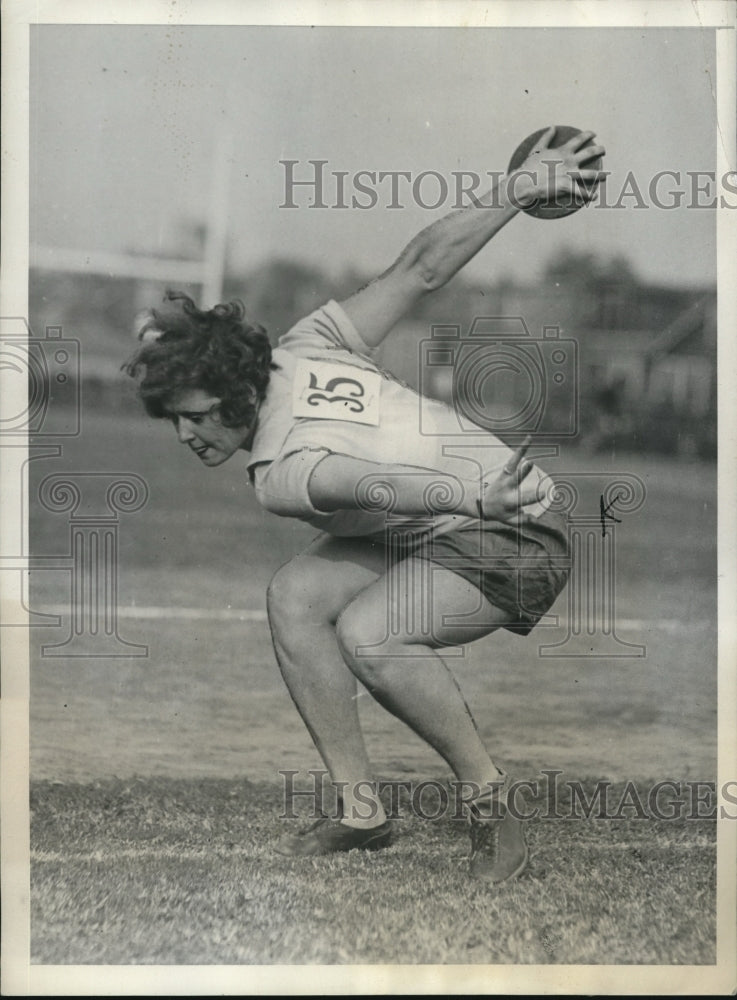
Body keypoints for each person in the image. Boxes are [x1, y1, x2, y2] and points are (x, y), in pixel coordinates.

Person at [125, 127, 605, 883]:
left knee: (373, 635)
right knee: (295, 595)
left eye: (194, 413)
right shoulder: (304, 345)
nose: (185, 433)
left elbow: (371, 483)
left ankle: (489, 802)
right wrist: (513, 192)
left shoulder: (279, 466)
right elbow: (416, 272)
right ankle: (361, 811)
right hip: (453, 512)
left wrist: (474, 493)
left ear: (235, 389)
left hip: (513, 524)